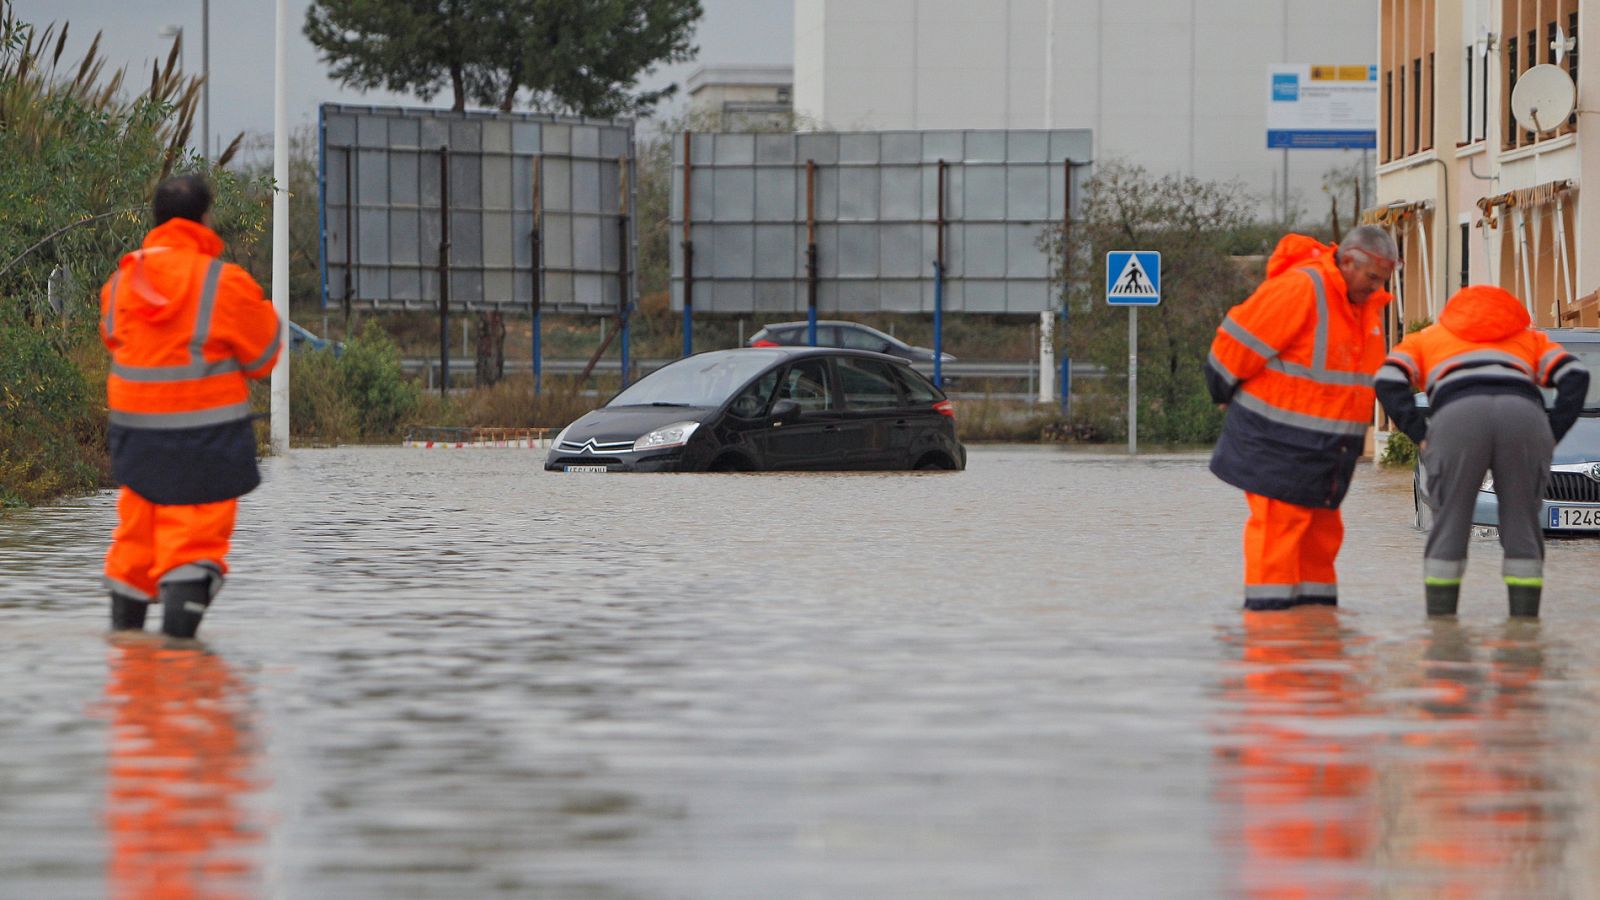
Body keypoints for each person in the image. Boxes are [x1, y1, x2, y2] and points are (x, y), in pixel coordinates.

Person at [100, 174, 282, 638]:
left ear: (156, 219)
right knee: (192, 545)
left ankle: (128, 659)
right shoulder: (226, 283)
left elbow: (113, 338)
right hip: (206, 441)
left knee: (135, 542)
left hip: (135, 441)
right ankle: (181, 666)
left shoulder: (121, 281)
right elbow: (264, 358)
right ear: (205, 218)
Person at [1205, 225, 1399, 610]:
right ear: (1347, 262)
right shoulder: (1302, 288)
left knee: (1321, 537)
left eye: (1383, 281)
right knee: (1279, 532)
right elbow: (1231, 349)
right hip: (1278, 443)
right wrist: (1222, 394)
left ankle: (1316, 636)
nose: (1377, 289)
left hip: (1328, 452)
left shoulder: (1363, 309)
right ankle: (1270, 636)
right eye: (1372, 278)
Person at [1374, 284, 1588, 618]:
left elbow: (1387, 379)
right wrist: (1552, 432)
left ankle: (1443, 630)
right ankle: (1524, 626)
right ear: (1509, 311)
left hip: (1457, 416)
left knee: (1451, 522)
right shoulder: (1528, 339)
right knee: (1522, 523)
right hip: (1522, 415)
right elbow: (1575, 376)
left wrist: (1420, 434)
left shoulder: (1429, 337)